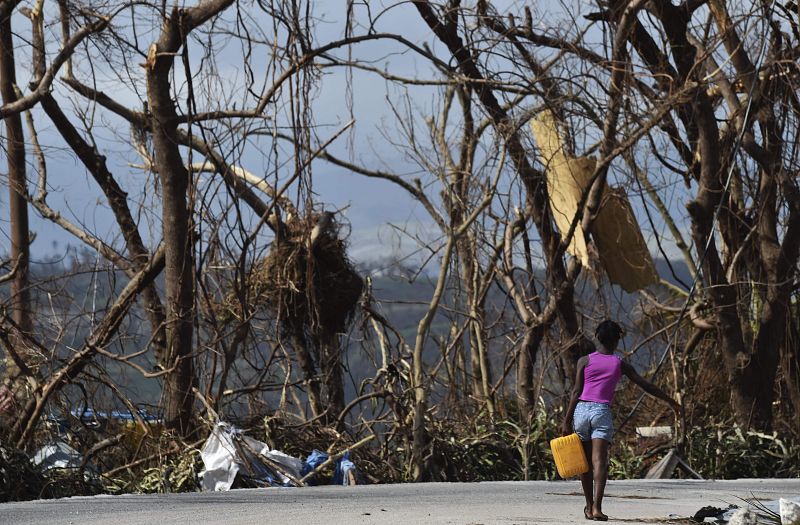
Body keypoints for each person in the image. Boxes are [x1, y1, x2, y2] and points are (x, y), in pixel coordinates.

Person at [561, 320, 681, 521]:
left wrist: (566, 421)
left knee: (584, 464)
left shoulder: (584, 361)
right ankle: (597, 508)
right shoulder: (620, 364)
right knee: (599, 460)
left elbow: (575, 392)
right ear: (617, 339)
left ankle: (589, 507)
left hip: (581, 410)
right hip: (601, 411)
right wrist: (672, 402)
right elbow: (646, 386)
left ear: (597, 337)